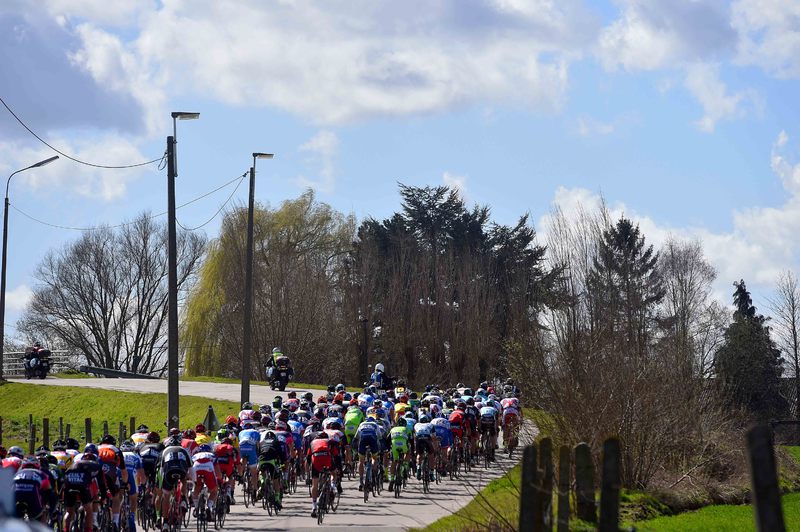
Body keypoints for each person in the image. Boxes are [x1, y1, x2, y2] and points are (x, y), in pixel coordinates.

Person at [63, 453, 107, 532]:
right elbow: (101, 484)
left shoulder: (75, 463)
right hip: (82, 484)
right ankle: (88, 530)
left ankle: (65, 529)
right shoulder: (96, 465)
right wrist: (103, 497)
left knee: (69, 511)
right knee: (88, 509)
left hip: (69, 481)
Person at [13, 456, 53, 523]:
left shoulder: (17, 474)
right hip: (33, 495)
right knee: (41, 514)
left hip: (16, 494)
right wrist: (49, 505)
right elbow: (48, 491)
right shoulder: (41, 474)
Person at [307, 432, 334, 518]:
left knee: (315, 484)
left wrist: (308, 474)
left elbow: (307, 459)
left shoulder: (313, 442)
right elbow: (336, 455)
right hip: (326, 458)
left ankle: (314, 506)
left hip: (316, 459)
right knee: (334, 473)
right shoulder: (329, 441)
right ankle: (333, 487)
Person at [257, 431, 285, 510]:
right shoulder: (276, 442)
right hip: (272, 461)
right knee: (275, 480)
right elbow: (281, 454)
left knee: (261, 472)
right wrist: (282, 463)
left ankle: (262, 481)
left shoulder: (261, 442)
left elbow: (258, 453)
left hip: (262, 460)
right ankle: (277, 499)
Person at [388, 416, 411, 492]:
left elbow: (387, 439)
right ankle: (404, 467)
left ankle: (391, 479)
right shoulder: (406, 429)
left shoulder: (393, 429)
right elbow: (411, 440)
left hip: (394, 446)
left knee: (394, 462)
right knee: (407, 452)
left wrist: (388, 449)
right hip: (403, 445)